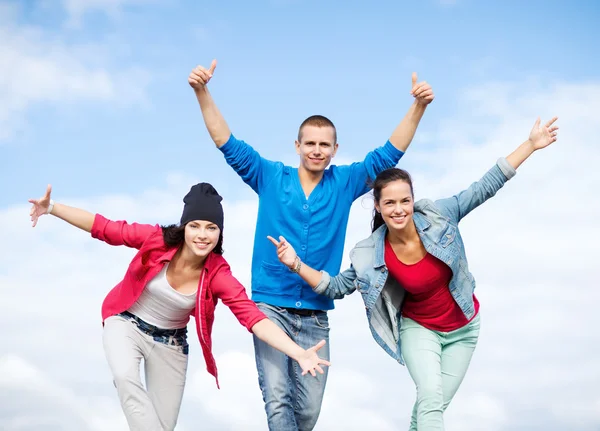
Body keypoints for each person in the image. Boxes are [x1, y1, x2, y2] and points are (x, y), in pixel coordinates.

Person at [188, 59, 434, 430]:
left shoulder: (346, 182)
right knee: (278, 402)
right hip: (270, 308)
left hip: (315, 315)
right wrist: (202, 91)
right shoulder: (270, 176)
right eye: (310, 144)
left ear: (335, 149)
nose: (316, 150)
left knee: (307, 413)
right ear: (297, 145)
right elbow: (227, 143)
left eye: (324, 145)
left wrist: (418, 106)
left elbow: (389, 154)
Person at [268, 117, 559, 430]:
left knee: (428, 408)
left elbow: (484, 187)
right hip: (418, 329)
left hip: (464, 328)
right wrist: (296, 264)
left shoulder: (437, 215)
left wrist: (530, 144)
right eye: (389, 203)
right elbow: (336, 286)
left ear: (412, 200)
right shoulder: (371, 253)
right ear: (377, 207)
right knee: (431, 397)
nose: (399, 209)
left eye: (405, 201)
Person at [28, 182, 330, 431]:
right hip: (127, 325)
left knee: (160, 425)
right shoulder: (156, 240)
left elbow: (252, 317)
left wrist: (298, 351)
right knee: (125, 378)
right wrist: (52, 208)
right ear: (184, 227)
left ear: (219, 233)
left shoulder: (218, 273)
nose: (202, 235)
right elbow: (105, 227)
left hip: (170, 345)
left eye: (211, 228)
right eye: (195, 225)